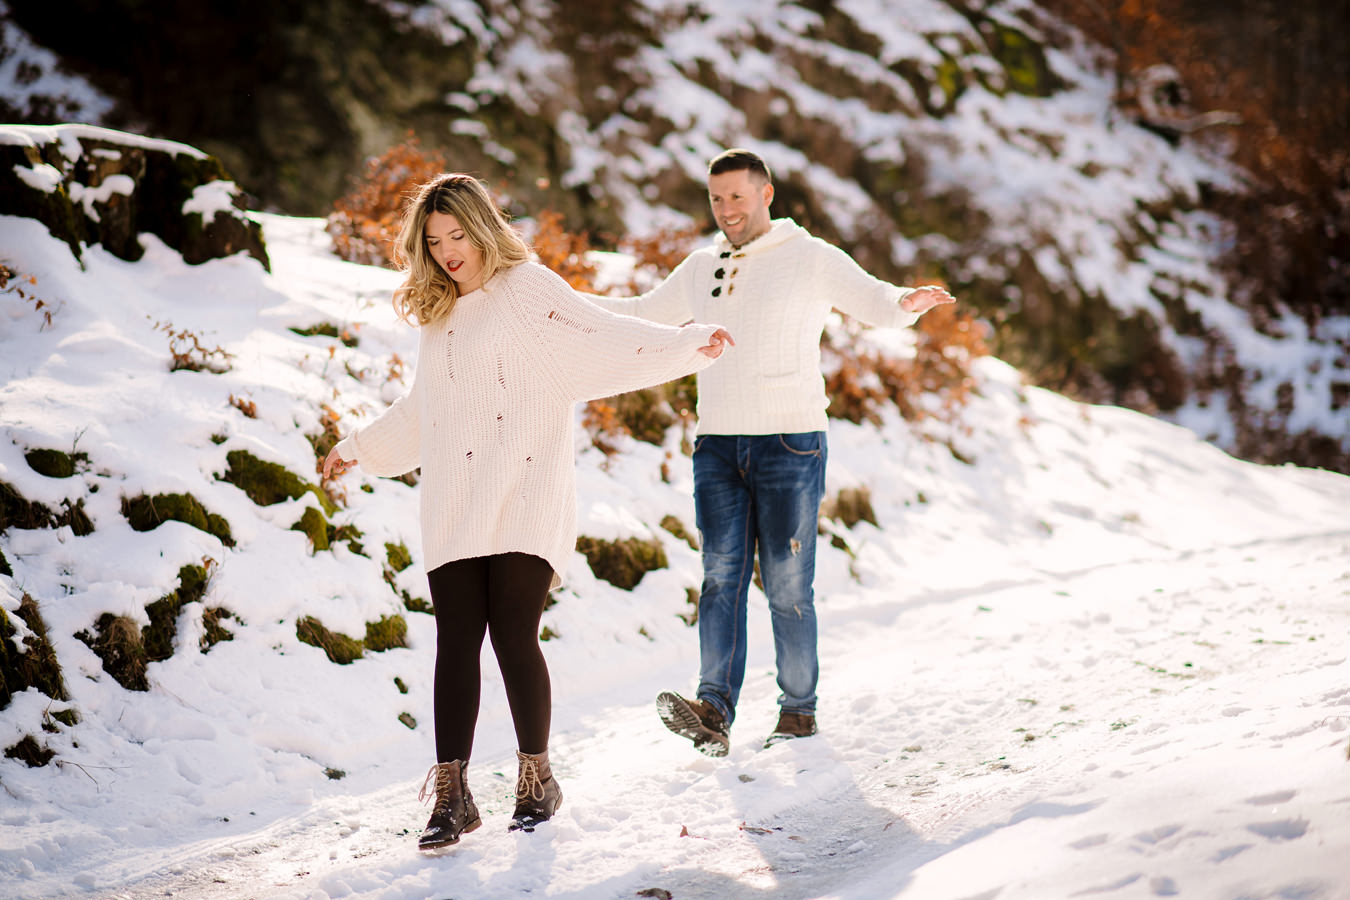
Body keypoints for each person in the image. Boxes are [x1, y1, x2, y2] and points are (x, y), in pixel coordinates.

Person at [322, 173, 732, 850]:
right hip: (455, 498)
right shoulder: (439, 316)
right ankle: (452, 796)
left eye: (458, 235)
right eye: (434, 241)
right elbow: (423, 411)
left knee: (513, 633)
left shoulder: (528, 289)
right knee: (457, 640)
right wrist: (357, 448)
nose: (448, 252)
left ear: (483, 228)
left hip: (527, 489)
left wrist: (687, 343)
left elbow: (604, 335)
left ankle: (536, 779)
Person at [584, 149, 954, 756]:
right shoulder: (702, 266)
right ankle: (713, 710)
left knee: (786, 586)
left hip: (790, 443)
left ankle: (798, 710)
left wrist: (904, 303)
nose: (726, 209)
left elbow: (874, 299)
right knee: (719, 578)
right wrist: (564, 303)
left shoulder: (809, 257)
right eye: (716, 198)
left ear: (766, 194)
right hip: (717, 445)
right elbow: (645, 316)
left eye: (737, 196)